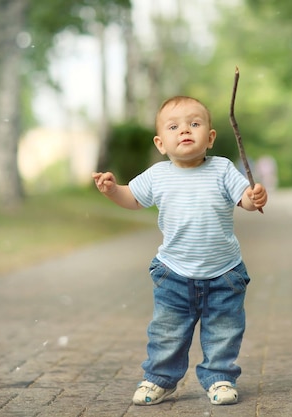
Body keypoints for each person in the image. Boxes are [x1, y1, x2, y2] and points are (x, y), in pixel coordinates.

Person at [92, 96, 268, 406]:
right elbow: (132, 198)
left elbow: (246, 201)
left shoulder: (222, 169)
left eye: (194, 124)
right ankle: (159, 379)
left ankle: (220, 378)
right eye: (174, 127)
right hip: (173, 272)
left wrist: (255, 196)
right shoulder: (158, 175)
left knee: (224, 331)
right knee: (167, 332)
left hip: (224, 272)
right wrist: (112, 190)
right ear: (161, 143)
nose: (185, 131)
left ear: (210, 137)